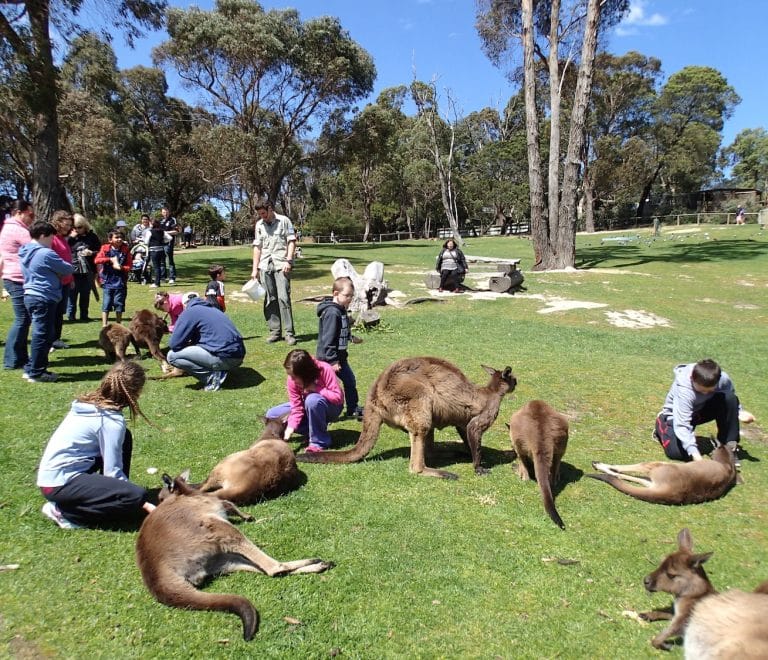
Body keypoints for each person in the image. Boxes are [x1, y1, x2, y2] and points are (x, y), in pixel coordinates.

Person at [36, 361, 157, 529]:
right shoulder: (111, 422)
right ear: (136, 392)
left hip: (52, 478)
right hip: (59, 484)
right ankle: (65, 513)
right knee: (136, 496)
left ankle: (116, 495)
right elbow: (112, 473)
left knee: (126, 438)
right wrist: (143, 503)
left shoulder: (87, 404)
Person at [653, 359, 755, 465]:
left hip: (700, 412)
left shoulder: (723, 378)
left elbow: (730, 398)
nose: (705, 393)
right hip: (677, 416)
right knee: (677, 453)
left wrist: (739, 412)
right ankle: (661, 424)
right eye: (701, 391)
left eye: (710, 390)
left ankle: (728, 449)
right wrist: (696, 455)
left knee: (729, 398)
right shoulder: (684, 390)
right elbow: (682, 425)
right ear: (692, 378)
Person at [18, 221, 74, 382]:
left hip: (30, 294)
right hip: (44, 296)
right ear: (42, 235)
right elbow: (67, 268)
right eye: (50, 237)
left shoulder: (25, 250)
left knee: (42, 333)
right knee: (42, 335)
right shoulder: (45, 253)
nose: (52, 241)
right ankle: (36, 372)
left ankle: (31, 368)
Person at [266, 349, 343, 452]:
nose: (291, 379)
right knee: (272, 415)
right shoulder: (291, 380)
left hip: (331, 407)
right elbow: (297, 407)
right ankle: (310, 430)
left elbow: (338, 397)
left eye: (294, 377)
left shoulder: (325, 369)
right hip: (307, 408)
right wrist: (290, 428)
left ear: (305, 373)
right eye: (289, 375)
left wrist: (316, 389)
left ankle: (319, 441)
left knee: (312, 400)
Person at [167, 294, 246, 392]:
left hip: (224, 357)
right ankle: (220, 370)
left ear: (184, 305)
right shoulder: (213, 309)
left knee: (172, 356)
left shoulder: (190, 312)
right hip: (238, 356)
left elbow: (174, 344)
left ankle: (212, 377)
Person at [316, 276, 364, 420]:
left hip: (340, 358)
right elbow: (328, 338)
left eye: (351, 296)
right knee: (328, 386)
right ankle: (323, 411)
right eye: (347, 295)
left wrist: (350, 337)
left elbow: (341, 330)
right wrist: (332, 361)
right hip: (329, 359)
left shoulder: (341, 310)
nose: (349, 298)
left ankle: (352, 409)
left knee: (350, 381)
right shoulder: (332, 312)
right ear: (336, 294)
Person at [250, 201, 297, 345]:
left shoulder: (284, 221)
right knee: (270, 299)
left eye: (263, 213)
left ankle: (289, 333)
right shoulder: (259, 225)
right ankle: (275, 332)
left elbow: (291, 242)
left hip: (281, 264)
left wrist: (289, 261)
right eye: (259, 214)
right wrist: (255, 269)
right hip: (265, 265)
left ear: (270, 209)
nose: (262, 216)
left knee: (283, 298)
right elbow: (257, 247)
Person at [1, 200, 34, 372]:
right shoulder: (17, 229)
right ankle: (10, 359)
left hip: (15, 277)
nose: (31, 218)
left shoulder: (9, 227)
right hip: (16, 278)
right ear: (19, 212)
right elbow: (34, 248)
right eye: (30, 214)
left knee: (25, 319)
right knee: (22, 319)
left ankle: (20, 357)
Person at [67, 213, 101, 322]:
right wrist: (70, 238)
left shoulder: (92, 236)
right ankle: (71, 316)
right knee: (72, 294)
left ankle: (84, 316)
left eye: (79, 227)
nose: (77, 230)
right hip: (73, 270)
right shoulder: (69, 238)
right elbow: (63, 249)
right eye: (74, 227)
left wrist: (91, 252)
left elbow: (99, 251)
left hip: (88, 270)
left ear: (84, 225)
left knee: (85, 293)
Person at [94, 230, 132, 326]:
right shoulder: (105, 249)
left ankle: (118, 324)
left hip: (120, 281)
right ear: (110, 239)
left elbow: (129, 265)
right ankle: (104, 325)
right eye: (116, 237)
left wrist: (122, 268)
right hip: (107, 281)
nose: (119, 239)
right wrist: (109, 259)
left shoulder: (126, 250)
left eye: (121, 237)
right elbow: (97, 260)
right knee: (106, 303)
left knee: (119, 303)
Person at [50, 210, 74, 349]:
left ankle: (56, 339)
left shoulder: (63, 239)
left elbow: (67, 259)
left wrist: (70, 279)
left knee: (60, 312)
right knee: (52, 312)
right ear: (58, 222)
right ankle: (49, 340)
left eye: (70, 224)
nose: (69, 226)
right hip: (55, 282)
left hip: (65, 281)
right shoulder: (51, 238)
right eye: (67, 224)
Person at [143, 218, 168, 288]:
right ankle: (158, 281)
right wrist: (163, 241)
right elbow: (169, 238)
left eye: (150, 223)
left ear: (152, 224)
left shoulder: (149, 231)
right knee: (160, 266)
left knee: (156, 267)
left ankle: (157, 283)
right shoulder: (162, 231)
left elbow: (146, 242)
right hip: (161, 251)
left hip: (154, 251)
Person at [159, 206, 178, 284]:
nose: (165, 213)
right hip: (160, 243)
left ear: (169, 212)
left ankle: (172, 277)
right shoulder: (160, 221)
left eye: (166, 212)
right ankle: (163, 277)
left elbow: (176, 231)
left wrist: (165, 233)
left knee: (170, 260)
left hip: (169, 243)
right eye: (163, 212)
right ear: (161, 213)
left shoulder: (172, 220)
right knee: (162, 261)